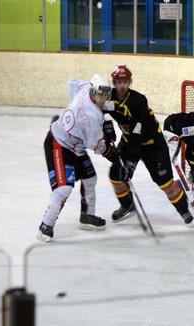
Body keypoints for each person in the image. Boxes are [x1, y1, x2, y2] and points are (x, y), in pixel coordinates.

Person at [105, 65, 193, 225]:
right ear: (114, 83)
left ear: (130, 82)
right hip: (128, 141)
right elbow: (97, 109)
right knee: (116, 175)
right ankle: (127, 205)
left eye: (125, 82)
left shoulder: (138, 101)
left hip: (153, 146)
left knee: (165, 183)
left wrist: (130, 163)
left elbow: (137, 135)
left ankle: (183, 209)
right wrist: (106, 126)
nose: (121, 86)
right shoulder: (109, 96)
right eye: (118, 82)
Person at [38, 74, 119, 242]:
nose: (104, 98)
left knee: (90, 178)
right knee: (64, 188)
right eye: (101, 95)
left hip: (77, 146)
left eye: (106, 95)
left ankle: (87, 216)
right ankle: (46, 225)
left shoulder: (83, 88)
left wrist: (104, 122)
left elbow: (71, 83)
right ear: (94, 90)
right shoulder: (91, 116)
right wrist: (110, 151)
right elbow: (96, 146)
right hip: (59, 144)